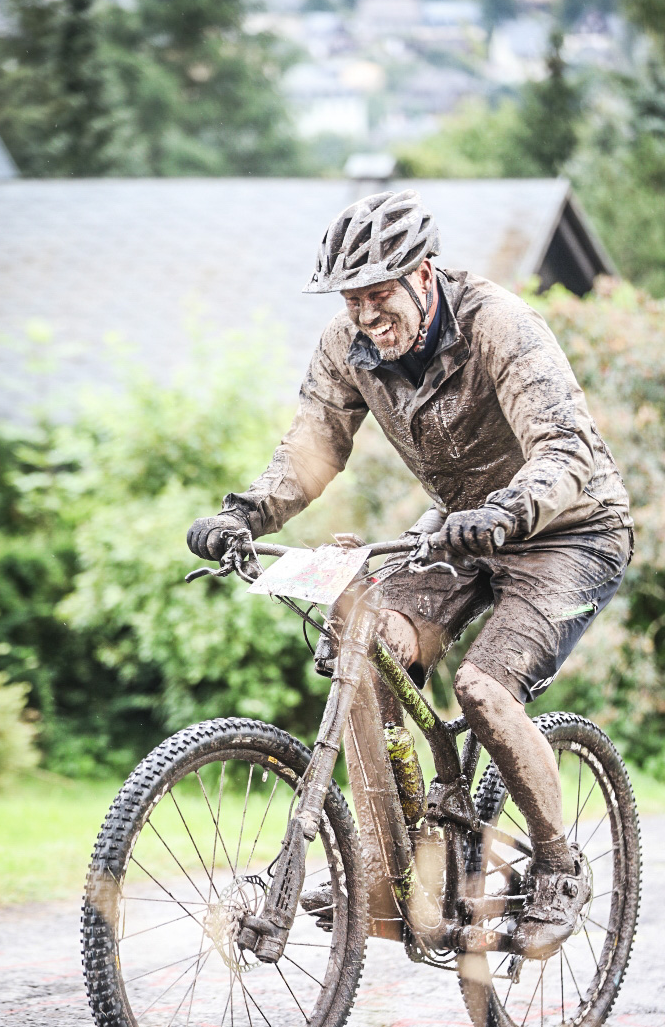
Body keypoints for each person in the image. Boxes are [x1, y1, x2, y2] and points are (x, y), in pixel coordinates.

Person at [187, 190, 633, 960]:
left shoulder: (500, 324)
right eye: (351, 298)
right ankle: (390, 862)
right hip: (461, 530)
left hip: (569, 530)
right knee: (367, 646)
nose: (366, 314)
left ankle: (560, 865)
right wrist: (246, 515)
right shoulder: (347, 344)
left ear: (423, 275)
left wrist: (508, 511)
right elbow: (312, 445)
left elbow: (566, 450)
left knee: (483, 689)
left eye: (379, 293)